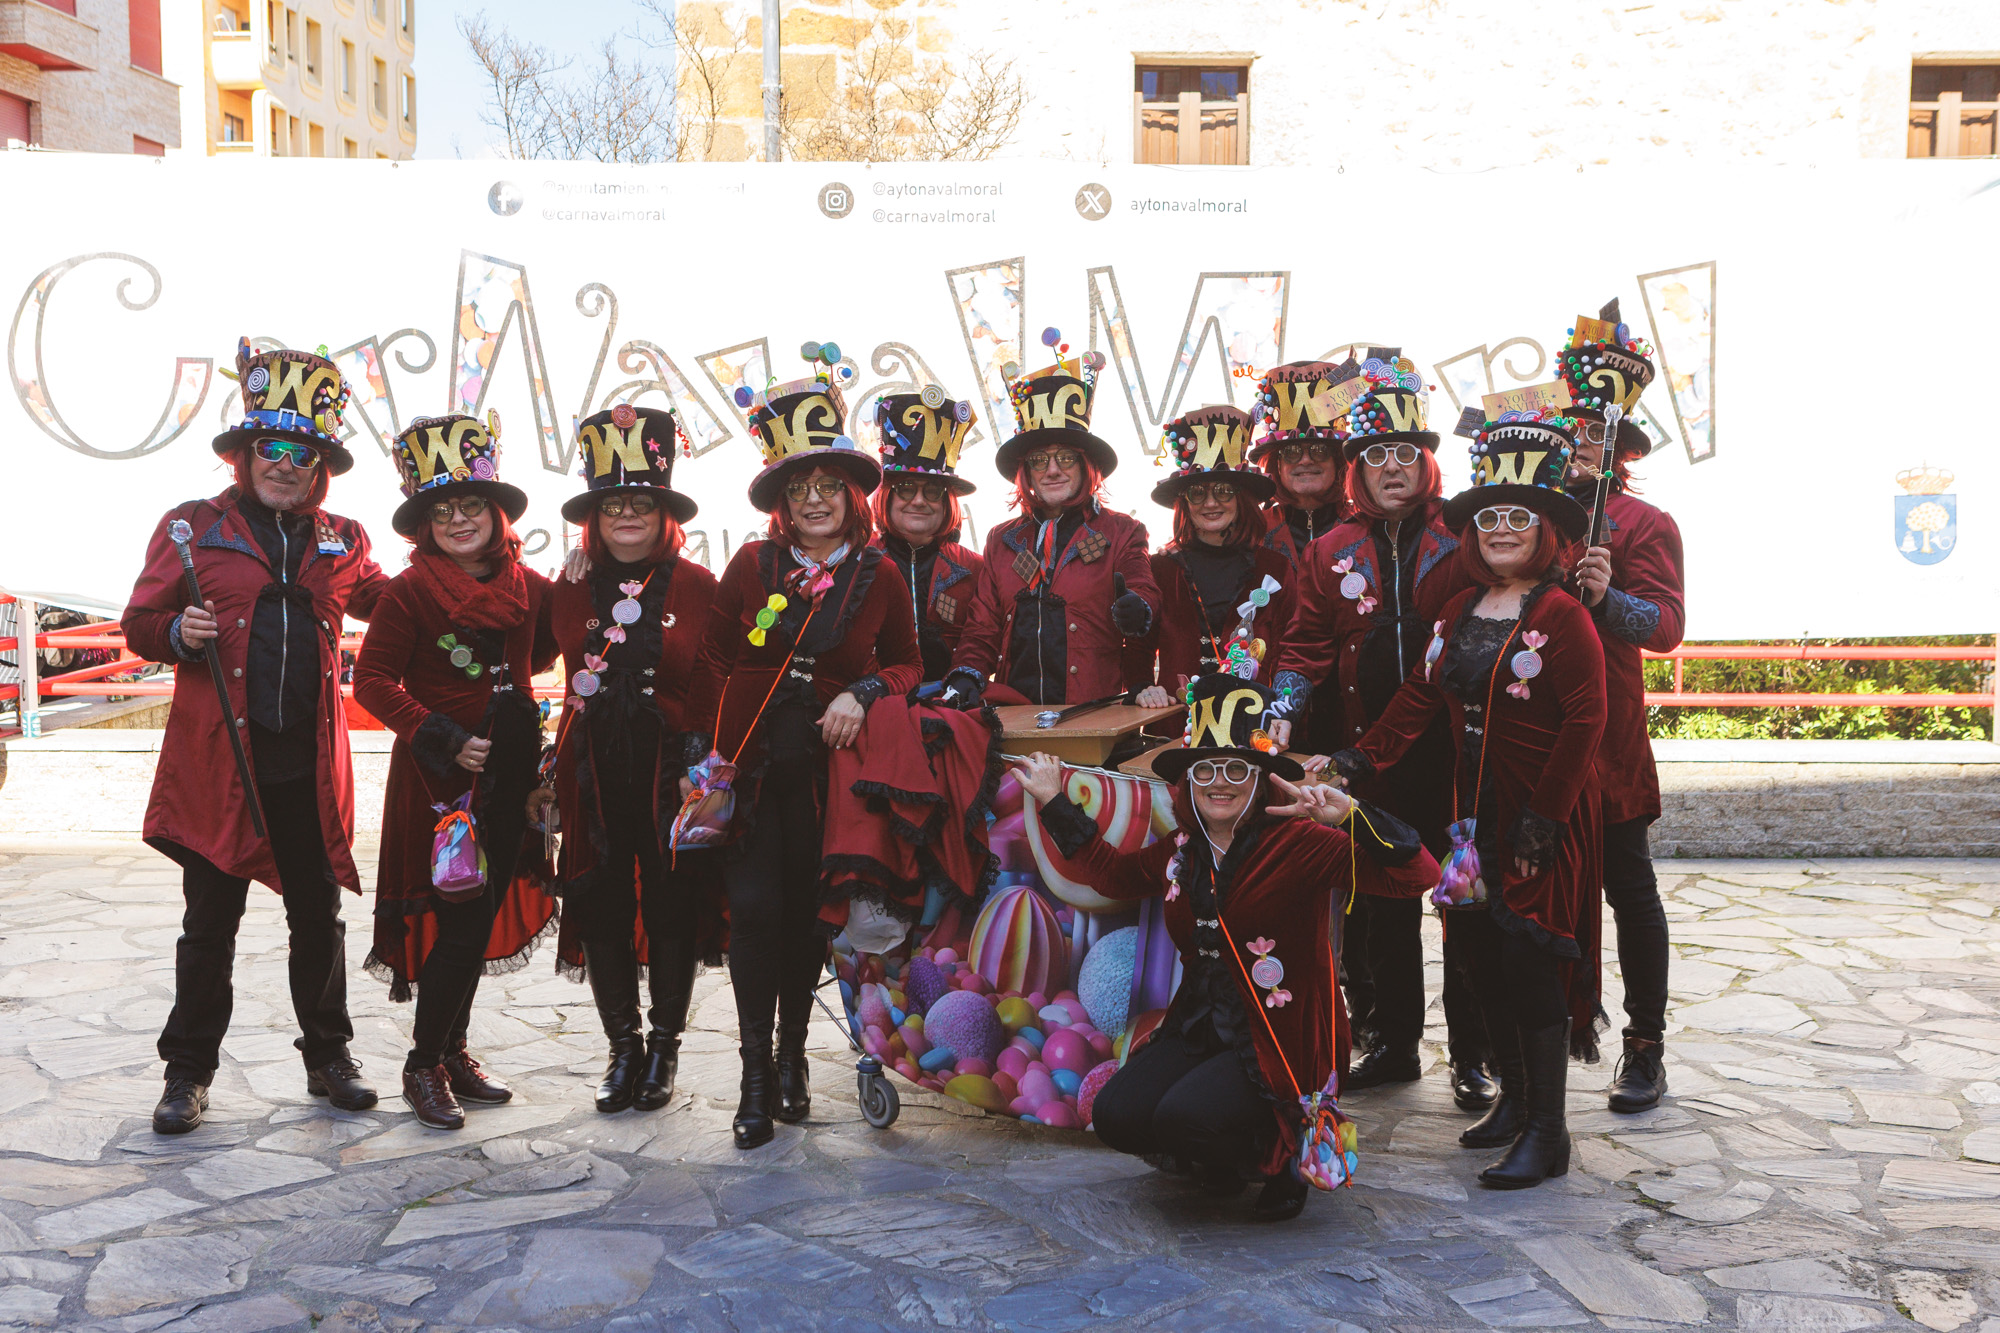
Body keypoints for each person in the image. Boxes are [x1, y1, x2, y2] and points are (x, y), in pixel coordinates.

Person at [1010, 674, 1437, 1221]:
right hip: (1203, 1025)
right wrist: (1053, 800)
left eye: (1236, 769)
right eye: (1205, 770)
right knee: (1116, 1113)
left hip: (1280, 1036)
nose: (1220, 783)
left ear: (1259, 780)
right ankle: (1221, 1159)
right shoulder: (1183, 850)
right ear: (1188, 782)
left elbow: (1417, 877)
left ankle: (1282, 1158)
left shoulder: (1301, 844)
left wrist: (1351, 815)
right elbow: (1113, 876)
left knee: (1184, 1117)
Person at [1335, 400, 1606, 1189]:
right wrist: (1358, 758)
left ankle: (1548, 1131)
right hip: (1469, 819)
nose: (1501, 529)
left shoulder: (1563, 616)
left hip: (1539, 818)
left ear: (1546, 529)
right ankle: (1515, 1101)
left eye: (1519, 516)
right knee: (1480, 956)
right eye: (1489, 517)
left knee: (1530, 962)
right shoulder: (1457, 609)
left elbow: (1587, 721)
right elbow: (1420, 698)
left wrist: (1543, 820)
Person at [127, 340, 389, 1135]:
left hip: (307, 771)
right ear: (245, 453)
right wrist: (177, 630)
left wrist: (485, 568)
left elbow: (400, 604)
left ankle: (329, 1057)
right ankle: (187, 1073)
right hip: (220, 767)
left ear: (321, 468)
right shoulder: (191, 528)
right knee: (209, 925)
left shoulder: (344, 540)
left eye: (303, 453)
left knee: (318, 917)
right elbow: (140, 620)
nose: (286, 464)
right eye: (273, 447)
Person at [684, 353, 923, 1149]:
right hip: (752, 777)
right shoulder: (751, 565)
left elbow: (908, 662)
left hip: (829, 781)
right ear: (782, 504)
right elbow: (712, 659)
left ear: (853, 496)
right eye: (799, 490)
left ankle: (793, 1060)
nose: (815, 500)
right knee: (754, 913)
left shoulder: (879, 575)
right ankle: (755, 1077)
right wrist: (702, 757)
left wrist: (865, 692)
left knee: (803, 920)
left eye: (828, 486)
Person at [1265, 356, 1494, 1108]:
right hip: (1369, 756)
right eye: (1375, 455)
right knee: (1381, 902)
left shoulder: (1464, 534)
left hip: (1455, 754)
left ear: (1426, 461)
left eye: (1404, 452)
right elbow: (1304, 642)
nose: (1392, 467)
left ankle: (1473, 1053)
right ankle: (1395, 1044)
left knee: (1464, 899)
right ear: (1355, 470)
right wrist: (1280, 710)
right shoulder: (1329, 549)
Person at [353, 412, 558, 1130]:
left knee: (482, 908)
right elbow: (371, 682)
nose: (460, 520)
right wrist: (441, 733)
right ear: (424, 525)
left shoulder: (531, 587)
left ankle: (452, 1050)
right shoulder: (409, 592)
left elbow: (546, 650)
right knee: (462, 922)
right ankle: (423, 1065)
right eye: (443, 511)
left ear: (497, 513)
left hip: (511, 777)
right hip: (442, 783)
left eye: (472, 504)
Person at [538, 405, 721, 1114]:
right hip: (592, 773)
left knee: (672, 906)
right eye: (612, 504)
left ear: (663, 511)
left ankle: (664, 1049)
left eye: (641, 502)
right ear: (594, 516)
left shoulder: (700, 587)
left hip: (668, 774)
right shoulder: (568, 585)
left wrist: (701, 761)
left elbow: (717, 678)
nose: (626, 515)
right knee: (601, 903)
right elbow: (530, 655)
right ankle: (623, 1048)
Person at [1558, 301, 1686, 1112]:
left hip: (1611, 741)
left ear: (1621, 445)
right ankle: (1523, 1049)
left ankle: (1645, 1046)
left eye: (1595, 432)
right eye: (1569, 429)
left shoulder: (1645, 522)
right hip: (1536, 739)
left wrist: (1611, 599)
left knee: (1629, 889)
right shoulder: (1527, 521)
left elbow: (1667, 628)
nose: (1580, 444)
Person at [946, 338, 1159, 706]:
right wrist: (966, 674)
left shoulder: (1123, 532)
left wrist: (1137, 607)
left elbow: (1143, 586)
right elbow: (982, 627)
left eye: (1066, 457)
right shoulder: (1001, 540)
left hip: (1094, 716)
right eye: (1039, 460)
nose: (1053, 470)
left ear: (1086, 465)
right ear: (1026, 471)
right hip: (1014, 716)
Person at [1126, 405, 1293, 706]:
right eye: (1198, 492)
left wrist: (1281, 712)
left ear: (1241, 497)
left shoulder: (1274, 568)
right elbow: (1138, 650)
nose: (1211, 502)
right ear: (1184, 502)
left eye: (1223, 490)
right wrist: (1142, 688)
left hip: (1254, 724)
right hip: (1174, 722)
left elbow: (1290, 653)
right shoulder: (1160, 568)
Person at [868, 387, 985, 681]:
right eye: (906, 488)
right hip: (871, 702)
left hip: (953, 699)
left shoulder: (977, 569)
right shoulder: (857, 560)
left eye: (933, 490)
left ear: (947, 502)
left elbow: (986, 642)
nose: (919, 501)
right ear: (886, 497)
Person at [1248, 359, 1355, 573]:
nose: (1305, 460)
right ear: (1277, 464)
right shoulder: (1253, 530)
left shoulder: (1365, 526)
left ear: (1337, 461)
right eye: (1291, 452)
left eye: (1319, 450)